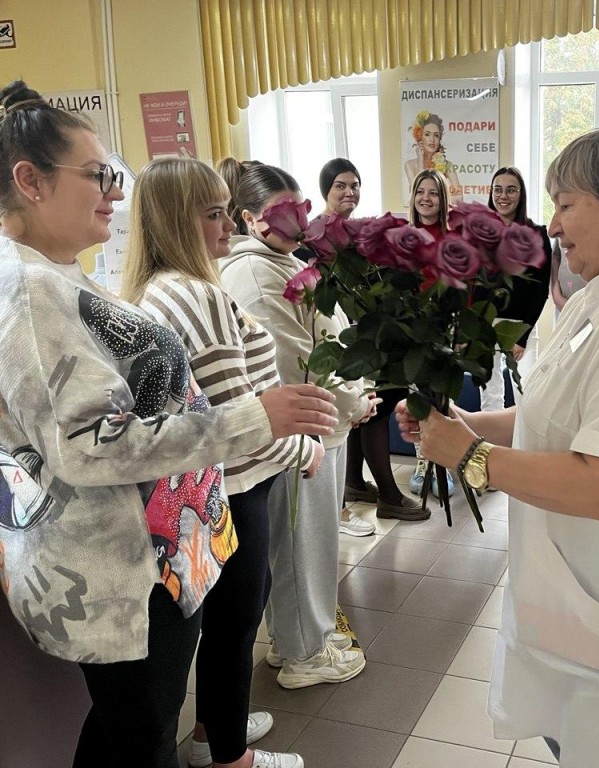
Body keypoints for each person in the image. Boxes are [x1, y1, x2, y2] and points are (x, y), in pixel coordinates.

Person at [0, 80, 337, 768]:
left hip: (141, 557)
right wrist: (254, 417)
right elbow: (91, 446)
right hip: (117, 570)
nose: (114, 193)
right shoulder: (32, 289)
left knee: (132, 724)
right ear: (29, 181)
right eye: (98, 175)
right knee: (141, 733)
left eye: (113, 176)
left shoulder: (57, 277)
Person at [396, 128, 599, 768]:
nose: (555, 225)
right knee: (574, 733)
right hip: (580, 587)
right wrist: (468, 424)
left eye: (567, 204)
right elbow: (558, 417)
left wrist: (470, 458)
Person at [123, 157, 335, 767]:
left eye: (227, 211)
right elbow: (243, 419)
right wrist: (306, 448)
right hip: (234, 485)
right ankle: (229, 757)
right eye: (213, 214)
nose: (229, 225)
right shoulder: (199, 296)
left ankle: (217, 734)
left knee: (221, 626)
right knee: (234, 628)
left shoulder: (154, 290)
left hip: (203, 485)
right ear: (174, 220)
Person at [208, 157, 371, 692]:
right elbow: (292, 364)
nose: (300, 217)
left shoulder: (280, 260)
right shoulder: (253, 273)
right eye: (285, 210)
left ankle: (295, 636)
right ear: (251, 218)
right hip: (304, 430)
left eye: (302, 204)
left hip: (322, 423)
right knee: (302, 545)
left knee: (309, 542)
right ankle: (304, 652)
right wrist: (350, 402)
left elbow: (322, 338)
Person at [311, 158, 421, 522]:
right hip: (339, 338)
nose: (349, 192)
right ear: (326, 189)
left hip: (369, 335)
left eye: (355, 185)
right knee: (368, 409)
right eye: (340, 185)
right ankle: (388, 493)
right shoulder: (314, 236)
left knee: (373, 406)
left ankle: (355, 481)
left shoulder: (361, 231)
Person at [480, 166, 552, 410]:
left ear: (521, 195)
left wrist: (521, 338)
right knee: (490, 395)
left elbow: (540, 290)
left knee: (526, 393)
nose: (503, 196)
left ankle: (522, 447)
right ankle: (490, 446)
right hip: (487, 325)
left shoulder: (537, 235)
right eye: (498, 190)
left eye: (511, 190)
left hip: (522, 327)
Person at [406, 168, 456, 499]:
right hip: (411, 328)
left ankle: (447, 461)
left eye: (433, 193)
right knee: (417, 397)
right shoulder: (402, 236)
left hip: (444, 326)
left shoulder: (452, 238)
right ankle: (423, 460)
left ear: (442, 199)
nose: (426, 198)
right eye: (420, 192)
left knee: (443, 396)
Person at [404, 110, 463, 201]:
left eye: (436, 135)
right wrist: (420, 160)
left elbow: (459, 197)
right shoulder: (409, 165)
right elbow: (418, 194)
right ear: (420, 137)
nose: (432, 139)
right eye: (427, 134)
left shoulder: (447, 165)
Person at [548, 237, 587, 320]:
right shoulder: (560, 227)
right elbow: (556, 255)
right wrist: (556, 296)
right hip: (562, 306)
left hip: (592, 309)